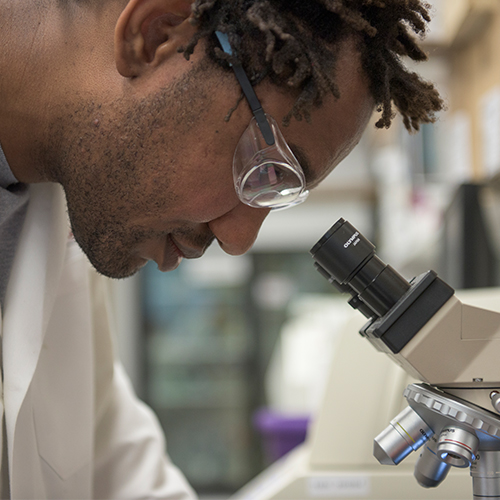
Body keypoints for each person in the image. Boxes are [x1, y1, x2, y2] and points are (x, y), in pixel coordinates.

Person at [0, 0, 443, 498]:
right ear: (157, 34)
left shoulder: (58, 236)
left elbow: (124, 478)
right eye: (268, 167)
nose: (238, 240)